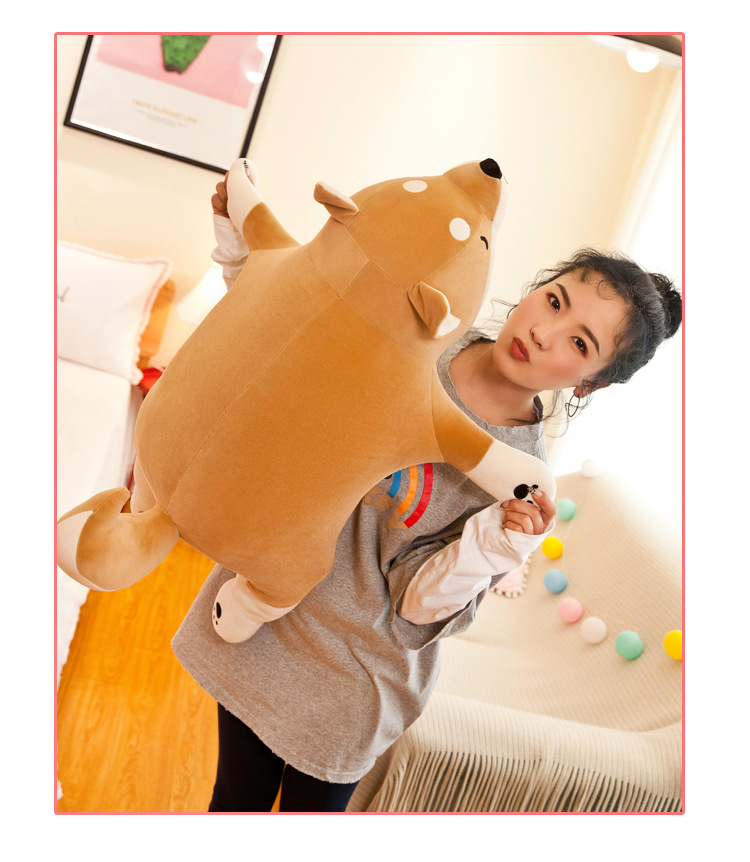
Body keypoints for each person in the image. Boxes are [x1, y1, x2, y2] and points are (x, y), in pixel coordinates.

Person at [170, 171, 682, 813]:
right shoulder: (423, 328)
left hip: (351, 682)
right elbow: (298, 347)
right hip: (261, 620)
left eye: (580, 342)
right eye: (554, 302)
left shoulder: (516, 482)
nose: (545, 332)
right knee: (232, 801)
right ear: (534, 290)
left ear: (590, 383)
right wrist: (239, 249)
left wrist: (492, 546)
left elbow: (417, 606)